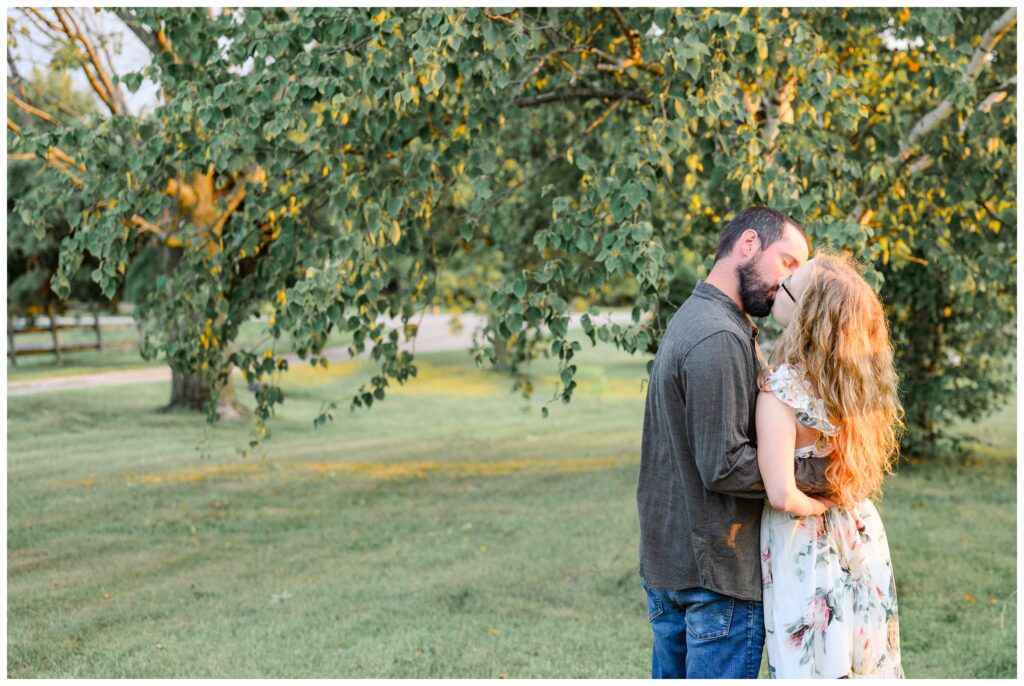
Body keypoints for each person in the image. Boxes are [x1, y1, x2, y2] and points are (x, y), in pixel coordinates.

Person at [637, 207, 834, 679]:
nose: (789, 283)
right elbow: (724, 465)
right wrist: (824, 472)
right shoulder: (719, 336)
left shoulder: (697, 316)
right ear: (749, 243)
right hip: (714, 580)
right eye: (787, 262)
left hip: (678, 567)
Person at [756, 252, 905, 678]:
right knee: (867, 658)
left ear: (804, 312)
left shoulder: (780, 392)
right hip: (862, 531)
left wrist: (818, 508)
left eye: (788, 284)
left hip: (806, 543)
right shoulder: (858, 385)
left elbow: (783, 493)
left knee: (813, 664)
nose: (778, 285)